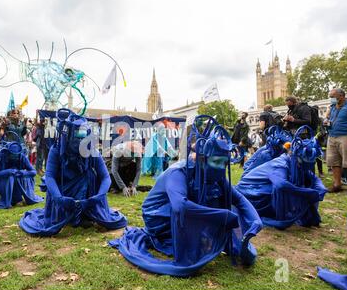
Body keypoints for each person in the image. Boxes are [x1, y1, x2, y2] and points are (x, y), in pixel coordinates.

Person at [110, 116, 262, 277]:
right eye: (216, 162)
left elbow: (237, 198)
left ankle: (199, 234)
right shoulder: (179, 172)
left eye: (224, 163)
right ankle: (183, 239)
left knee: (220, 197)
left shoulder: (215, 173)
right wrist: (221, 216)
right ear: (203, 158)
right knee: (187, 209)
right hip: (158, 215)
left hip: (178, 209)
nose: (220, 168)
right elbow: (179, 206)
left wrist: (255, 219)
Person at [19, 109, 127, 236]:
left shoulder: (92, 150)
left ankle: (86, 214)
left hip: (87, 194)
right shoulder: (56, 150)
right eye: (76, 135)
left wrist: (98, 196)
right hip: (63, 190)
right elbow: (50, 177)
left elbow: (105, 177)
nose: (80, 140)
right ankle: (66, 214)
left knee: (88, 176)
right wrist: (59, 198)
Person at [236, 126, 327, 230]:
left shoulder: (297, 163)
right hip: (250, 193)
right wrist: (306, 192)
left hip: (259, 188)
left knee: (301, 184)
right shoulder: (280, 163)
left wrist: (320, 187)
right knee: (282, 189)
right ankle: (276, 216)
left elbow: (311, 177)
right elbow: (281, 184)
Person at [0, 132, 43, 209]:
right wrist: (4, 173)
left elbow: (33, 172)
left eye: (16, 156)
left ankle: (18, 199)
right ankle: (7, 200)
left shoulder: (22, 157)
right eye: (11, 156)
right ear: (6, 153)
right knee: (10, 177)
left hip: (19, 185)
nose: (14, 158)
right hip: (2, 186)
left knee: (19, 176)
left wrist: (22, 173)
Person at [325, 88, 347, 196]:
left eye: (333, 96)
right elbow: (332, 120)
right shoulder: (333, 107)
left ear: (341, 96)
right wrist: (327, 121)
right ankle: (337, 184)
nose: (331, 99)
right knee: (334, 162)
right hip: (332, 136)